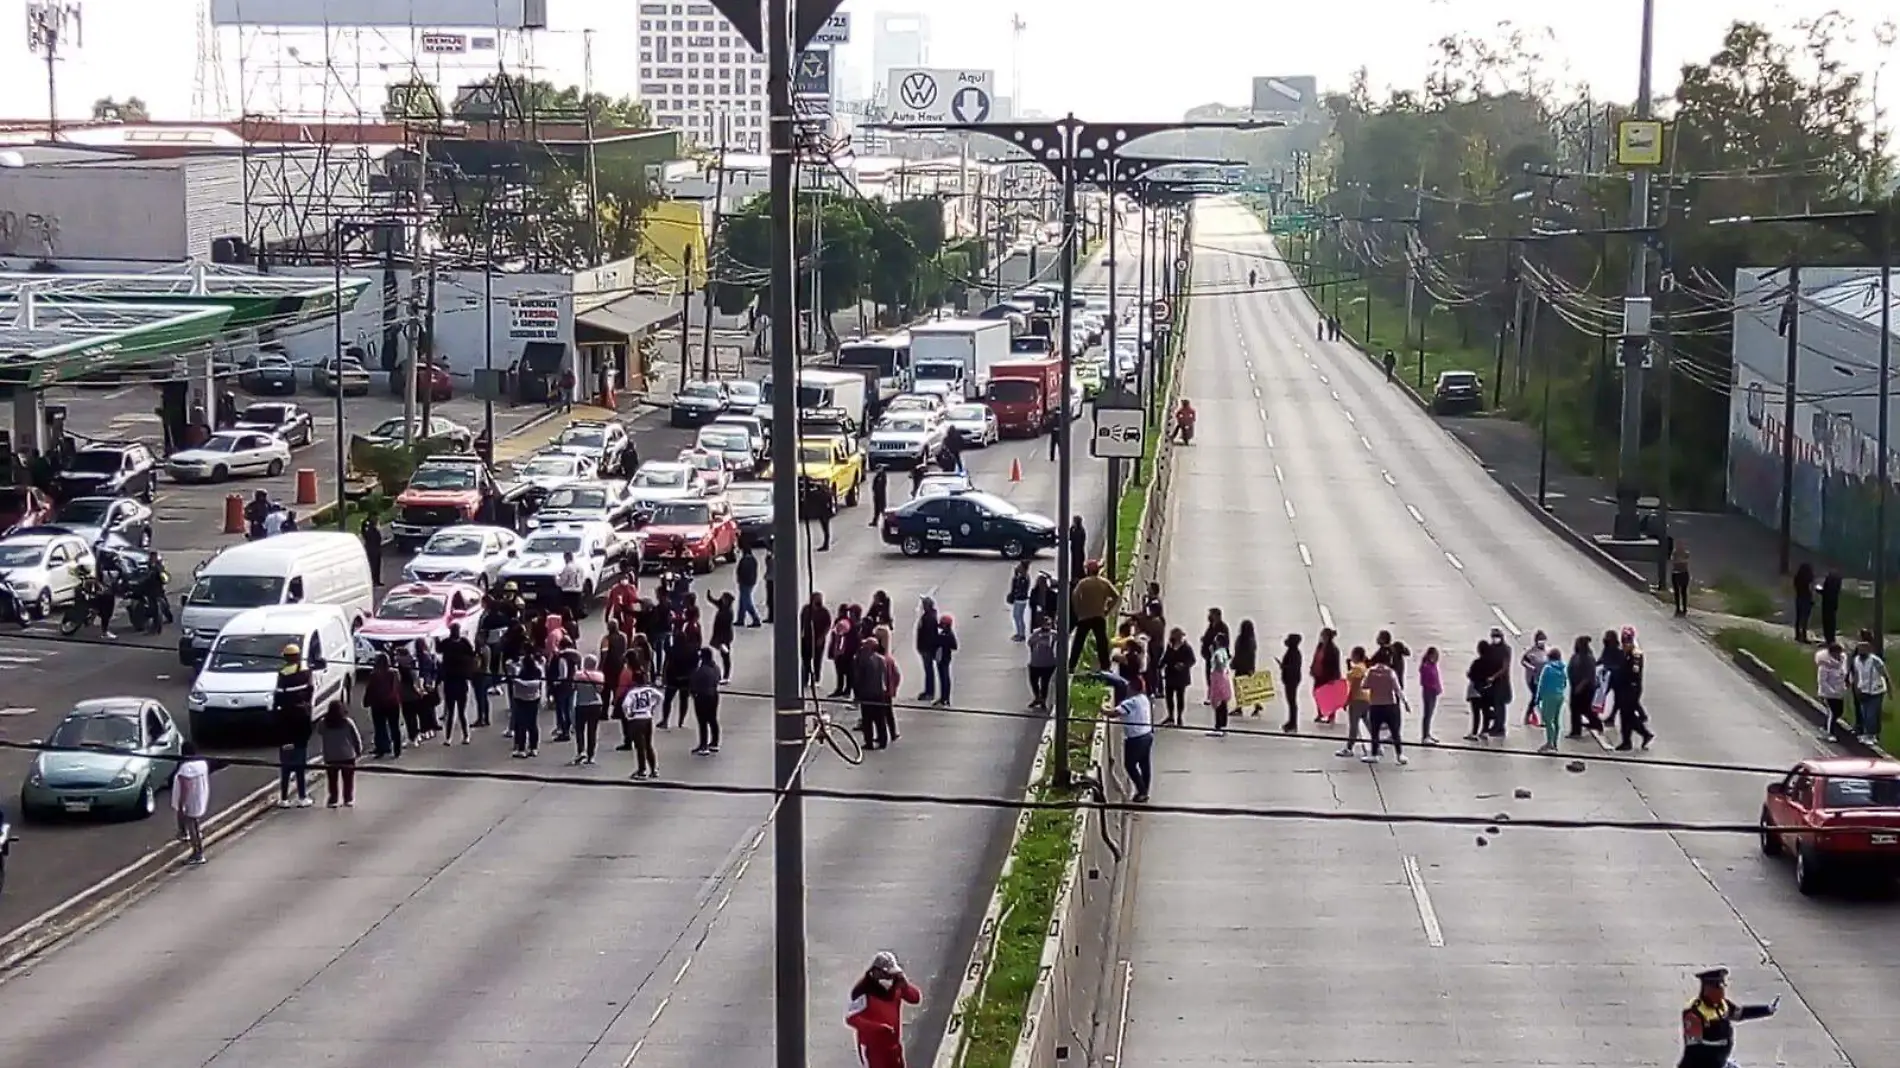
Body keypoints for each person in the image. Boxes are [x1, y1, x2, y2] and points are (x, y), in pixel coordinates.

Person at [1678, 967, 1777, 1068]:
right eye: (1717, 987)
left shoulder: (1723, 1005)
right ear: (1707, 989)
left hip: (1720, 1061)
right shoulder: (1694, 1013)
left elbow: (1739, 1013)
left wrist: (1766, 1010)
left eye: (1722, 986)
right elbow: (1694, 1051)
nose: (1721, 991)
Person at [845, 951, 922, 1068]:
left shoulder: (896, 986)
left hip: (893, 1047)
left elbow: (915, 998)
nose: (890, 978)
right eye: (887, 974)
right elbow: (851, 1018)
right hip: (872, 1050)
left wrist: (906, 985)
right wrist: (878, 1029)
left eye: (892, 974)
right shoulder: (863, 991)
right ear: (876, 972)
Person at [1094, 669, 1155, 803]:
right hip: (1147, 735)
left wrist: (1100, 709)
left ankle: (1142, 791)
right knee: (1145, 764)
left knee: (1130, 765)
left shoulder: (1130, 703)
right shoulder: (1144, 699)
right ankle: (1145, 790)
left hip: (1135, 738)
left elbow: (1113, 713)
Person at [273, 642, 315, 808]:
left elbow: (277, 700)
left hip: (285, 728)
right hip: (301, 727)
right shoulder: (306, 674)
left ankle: (284, 798)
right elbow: (310, 692)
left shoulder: (282, 675)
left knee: (285, 766)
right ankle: (302, 796)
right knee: (300, 764)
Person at [1068, 562, 1118, 671]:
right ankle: (1105, 667)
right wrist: (1107, 610)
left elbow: (1074, 597)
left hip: (1084, 617)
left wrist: (1078, 611)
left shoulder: (1083, 583)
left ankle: (1071, 666)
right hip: (1099, 616)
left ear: (1088, 571)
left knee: (1078, 642)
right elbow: (1116, 596)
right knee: (1102, 642)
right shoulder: (1104, 583)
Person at [317, 701, 363, 808]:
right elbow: (356, 737)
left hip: (331, 756)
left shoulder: (324, 723)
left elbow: (320, 731)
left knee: (332, 780)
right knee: (348, 780)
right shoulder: (347, 722)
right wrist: (358, 750)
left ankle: (333, 799)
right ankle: (348, 799)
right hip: (347, 755)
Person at [1363, 650, 1405, 764]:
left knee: (1375, 731)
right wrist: (1404, 702)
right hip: (1390, 704)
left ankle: (1374, 754)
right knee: (1395, 731)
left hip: (1375, 704)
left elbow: (1364, 685)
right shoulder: (1391, 672)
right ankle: (1400, 754)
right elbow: (1397, 689)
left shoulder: (1371, 672)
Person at [172, 741, 210, 865]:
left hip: (190, 802)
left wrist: (182, 803)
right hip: (200, 798)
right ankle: (196, 849)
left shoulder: (186, 768)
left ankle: (198, 853)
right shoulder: (202, 763)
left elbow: (185, 787)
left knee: (192, 827)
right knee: (195, 825)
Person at [1850, 636, 1890, 742]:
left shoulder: (1875, 660)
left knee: (1871, 714)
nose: (1861, 651)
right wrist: (1856, 688)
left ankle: (1871, 735)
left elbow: (1885, 675)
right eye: (1860, 649)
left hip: (1876, 690)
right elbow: (1857, 675)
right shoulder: (1856, 660)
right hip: (1863, 690)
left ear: (1869, 650)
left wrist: (1890, 691)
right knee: (1865, 713)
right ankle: (1870, 733)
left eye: (1864, 649)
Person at [508, 651, 545, 758]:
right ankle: (533, 748)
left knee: (521, 725)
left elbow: (514, 678)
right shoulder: (537, 672)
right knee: (532, 724)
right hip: (534, 700)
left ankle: (521, 748)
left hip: (521, 700)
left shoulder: (520, 674)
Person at [572, 653, 607, 764]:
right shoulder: (600, 676)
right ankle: (591, 755)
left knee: (580, 730)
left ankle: (581, 751)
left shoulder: (578, 675)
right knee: (592, 731)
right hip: (596, 704)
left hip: (581, 704)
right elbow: (600, 690)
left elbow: (574, 687)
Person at [1158, 628, 1195, 727]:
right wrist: (1160, 666)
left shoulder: (1186, 647)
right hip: (1170, 675)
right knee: (1169, 697)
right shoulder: (1170, 646)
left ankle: (1179, 716)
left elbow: (1192, 660)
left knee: (1180, 697)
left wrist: (1183, 665)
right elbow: (1166, 658)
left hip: (1181, 677)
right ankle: (1170, 716)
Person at [689, 647, 723, 755]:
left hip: (702, 697)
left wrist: (693, 693)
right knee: (713, 719)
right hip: (714, 695)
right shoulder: (716, 668)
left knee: (702, 721)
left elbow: (693, 682)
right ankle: (714, 742)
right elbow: (718, 679)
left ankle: (703, 745)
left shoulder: (701, 670)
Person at [1815, 640, 1849, 738]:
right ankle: (1830, 733)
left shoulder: (1842, 661)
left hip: (1839, 692)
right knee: (1832, 712)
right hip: (1828, 694)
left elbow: (1844, 673)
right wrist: (1832, 692)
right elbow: (1822, 681)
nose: (1838, 655)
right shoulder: (1824, 666)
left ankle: (1826, 727)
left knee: (1839, 711)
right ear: (1831, 653)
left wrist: (1845, 685)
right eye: (1836, 653)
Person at [1535, 647, 1566, 753]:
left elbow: (1542, 683)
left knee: (1548, 720)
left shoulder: (1547, 668)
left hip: (1549, 696)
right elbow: (1565, 683)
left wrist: (1538, 697)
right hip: (1560, 696)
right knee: (1556, 720)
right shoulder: (1562, 668)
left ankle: (1549, 743)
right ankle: (1555, 742)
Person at [1026, 614, 1058, 710]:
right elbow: (1030, 643)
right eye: (1044, 624)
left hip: (1048, 664)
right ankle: (1037, 697)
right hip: (1035, 663)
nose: (1046, 626)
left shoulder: (1054, 634)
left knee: (1045, 683)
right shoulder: (1036, 634)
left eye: (1048, 624)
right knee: (1033, 682)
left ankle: (1043, 700)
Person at [914, 596, 942, 702]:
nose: (922, 606)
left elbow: (929, 636)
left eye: (923, 604)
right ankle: (928, 691)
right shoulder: (928, 616)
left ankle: (930, 692)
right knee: (928, 671)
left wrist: (925, 648)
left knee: (929, 671)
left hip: (927, 649)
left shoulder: (929, 618)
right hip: (925, 648)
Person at [1278, 633, 1303, 734]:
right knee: (1290, 701)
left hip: (1292, 680)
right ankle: (1291, 721)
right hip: (1290, 679)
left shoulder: (1295, 653)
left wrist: (1284, 667)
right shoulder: (1292, 652)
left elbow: (1293, 667)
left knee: (1292, 701)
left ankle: (1293, 723)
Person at [931, 613, 959, 706]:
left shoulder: (949, 634)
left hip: (945, 658)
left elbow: (954, 646)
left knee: (945, 678)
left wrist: (943, 642)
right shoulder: (942, 633)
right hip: (940, 658)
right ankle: (943, 697)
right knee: (942, 678)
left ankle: (945, 698)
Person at [801, 477, 835, 551]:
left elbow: (810, 497)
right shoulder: (826, 491)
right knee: (826, 529)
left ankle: (826, 545)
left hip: (823, 512)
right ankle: (826, 545)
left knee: (825, 529)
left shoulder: (818, 493)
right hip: (825, 512)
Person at [1417, 646, 1442, 743]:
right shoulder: (1426, 666)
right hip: (1429, 692)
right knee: (1427, 714)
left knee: (1430, 714)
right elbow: (1426, 681)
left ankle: (1428, 733)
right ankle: (1425, 736)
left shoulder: (1433, 665)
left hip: (1433, 692)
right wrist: (1433, 688)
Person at [735, 546, 763, 627]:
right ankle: (740, 619)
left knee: (746, 602)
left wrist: (740, 580)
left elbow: (741, 571)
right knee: (742, 601)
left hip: (745, 583)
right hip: (750, 582)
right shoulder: (753, 559)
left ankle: (755, 619)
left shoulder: (745, 560)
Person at [1006, 560, 1032, 642]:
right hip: (1019, 599)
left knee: (1018, 616)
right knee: (1016, 616)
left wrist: (1015, 596)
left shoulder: (1024, 578)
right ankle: (1019, 632)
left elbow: (1020, 589)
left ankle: (1021, 634)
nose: (1018, 567)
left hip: (1021, 600)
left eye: (1020, 566)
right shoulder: (1020, 576)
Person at [1791, 562, 1816, 642]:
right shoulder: (1809, 579)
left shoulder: (1797, 578)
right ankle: (1804, 636)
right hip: (1806, 598)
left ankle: (1797, 635)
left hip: (1799, 597)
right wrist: (1813, 598)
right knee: (1805, 619)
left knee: (1798, 618)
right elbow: (1810, 588)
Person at [1669, 541, 1691, 617]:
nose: (1679, 547)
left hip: (1683, 573)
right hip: (1676, 573)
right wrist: (1680, 561)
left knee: (1684, 592)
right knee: (1677, 592)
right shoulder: (1674, 553)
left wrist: (1679, 561)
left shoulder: (1686, 553)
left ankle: (1684, 609)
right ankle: (1678, 608)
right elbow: (1673, 561)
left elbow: (1684, 561)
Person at [361, 515, 383, 587]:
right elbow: (366, 534)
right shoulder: (369, 527)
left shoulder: (375, 527)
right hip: (371, 549)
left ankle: (377, 580)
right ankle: (373, 581)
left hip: (377, 549)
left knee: (377, 566)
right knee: (373, 566)